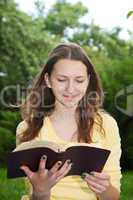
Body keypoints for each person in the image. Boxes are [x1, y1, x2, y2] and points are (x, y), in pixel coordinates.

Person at [16, 43, 122, 200]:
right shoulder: (28, 128)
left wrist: (104, 189)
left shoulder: (106, 125)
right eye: (62, 79)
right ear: (48, 80)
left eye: (79, 80)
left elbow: (114, 197)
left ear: (88, 81)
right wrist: (41, 192)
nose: (70, 89)